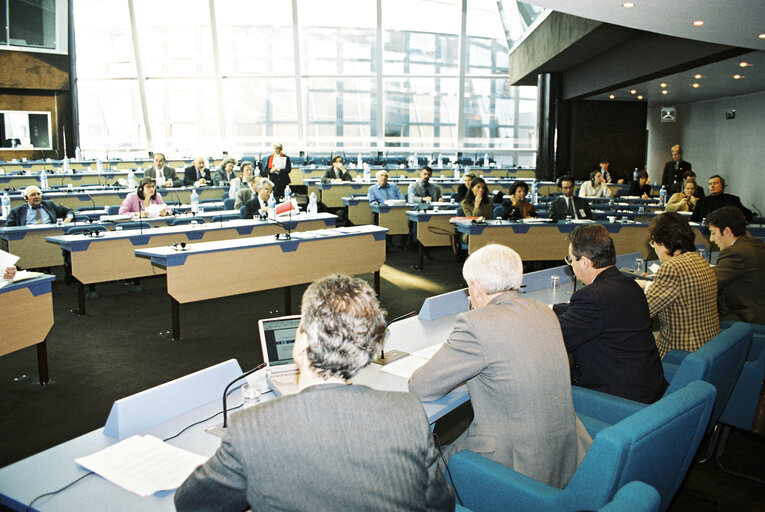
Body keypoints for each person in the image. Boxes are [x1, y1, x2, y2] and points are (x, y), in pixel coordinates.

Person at [175, 274, 454, 512]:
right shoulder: (408, 413)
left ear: (301, 344)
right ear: (366, 353)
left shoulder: (251, 428)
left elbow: (191, 503)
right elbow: (439, 504)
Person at [409, 244, 591, 488]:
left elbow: (422, 387)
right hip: (564, 454)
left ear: (477, 287)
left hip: (514, 464)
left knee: (417, 471)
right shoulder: (544, 312)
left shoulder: (476, 324)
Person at [553, 224, 667, 403]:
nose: (570, 264)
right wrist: (552, 309)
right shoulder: (629, 284)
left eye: (570, 259)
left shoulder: (591, 297)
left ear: (585, 262)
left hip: (617, 399)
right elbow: (601, 314)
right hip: (648, 388)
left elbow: (555, 340)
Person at [638, 213, 719, 357]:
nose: (654, 249)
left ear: (664, 242)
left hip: (680, 352)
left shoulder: (672, 268)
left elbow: (641, 311)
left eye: (654, 243)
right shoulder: (700, 261)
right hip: (708, 347)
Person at [708, 206, 765, 324]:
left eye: (713, 233)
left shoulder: (735, 253)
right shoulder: (756, 243)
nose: (711, 239)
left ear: (727, 231)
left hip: (749, 319)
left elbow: (709, 284)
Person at [6, 185, 74, 226]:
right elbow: (8, 230)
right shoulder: (16, 211)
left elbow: (69, 210)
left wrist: (68, 219)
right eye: (33, 195)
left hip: (50, 234)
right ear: (26, 198)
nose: (37, 197)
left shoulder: (49, 205)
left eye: (38, 194)